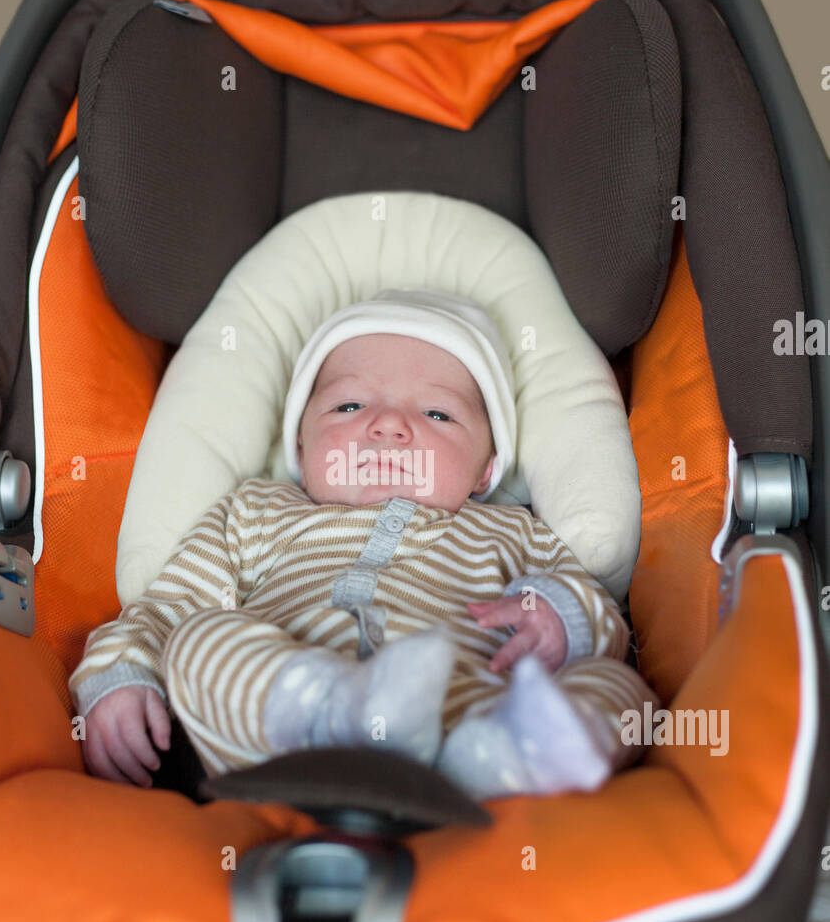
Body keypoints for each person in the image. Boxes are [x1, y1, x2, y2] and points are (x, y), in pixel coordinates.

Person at [68, 290, 657, 801]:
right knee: (197, 641)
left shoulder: (514, 530)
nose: (388, 426)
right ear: (300, 451)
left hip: (467, 712)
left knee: (628, 695)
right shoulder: (253, 513)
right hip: (280, 739)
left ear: (486, 471)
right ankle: (334, 713)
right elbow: (170, 606)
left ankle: (504, 757)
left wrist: (558, 616)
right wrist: (120, 675)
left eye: (437, 413)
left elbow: (604, 622)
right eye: (349, 406)